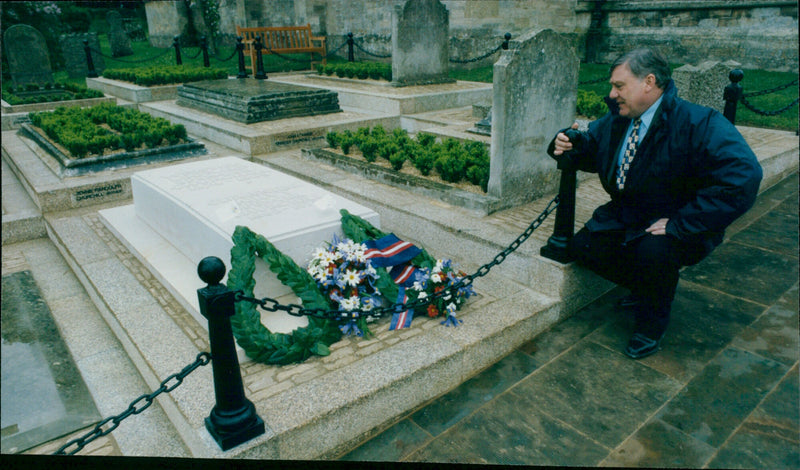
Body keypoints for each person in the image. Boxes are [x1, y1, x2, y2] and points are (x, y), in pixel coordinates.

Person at [547, 48, 762, 359]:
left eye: (619, 86)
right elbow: (592, 148)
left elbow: (744, 175)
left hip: (674, 224)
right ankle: (649, 288)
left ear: (648, 82)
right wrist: (567, 143)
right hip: (628, 216)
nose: (612, 93)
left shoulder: (697, 123)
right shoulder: (618, 119)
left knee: (654, 253)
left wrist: (683, 223)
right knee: (583, 248)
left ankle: (651, 324)